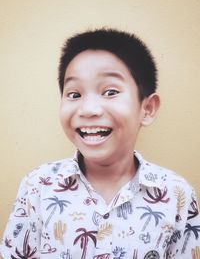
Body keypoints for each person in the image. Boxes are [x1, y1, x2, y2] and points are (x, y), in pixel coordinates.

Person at [0, 28, 200, 259]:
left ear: (147, 108)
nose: (88, 109)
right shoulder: (38, 186)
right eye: (74, 94)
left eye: (110, 91)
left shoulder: (177, 195)